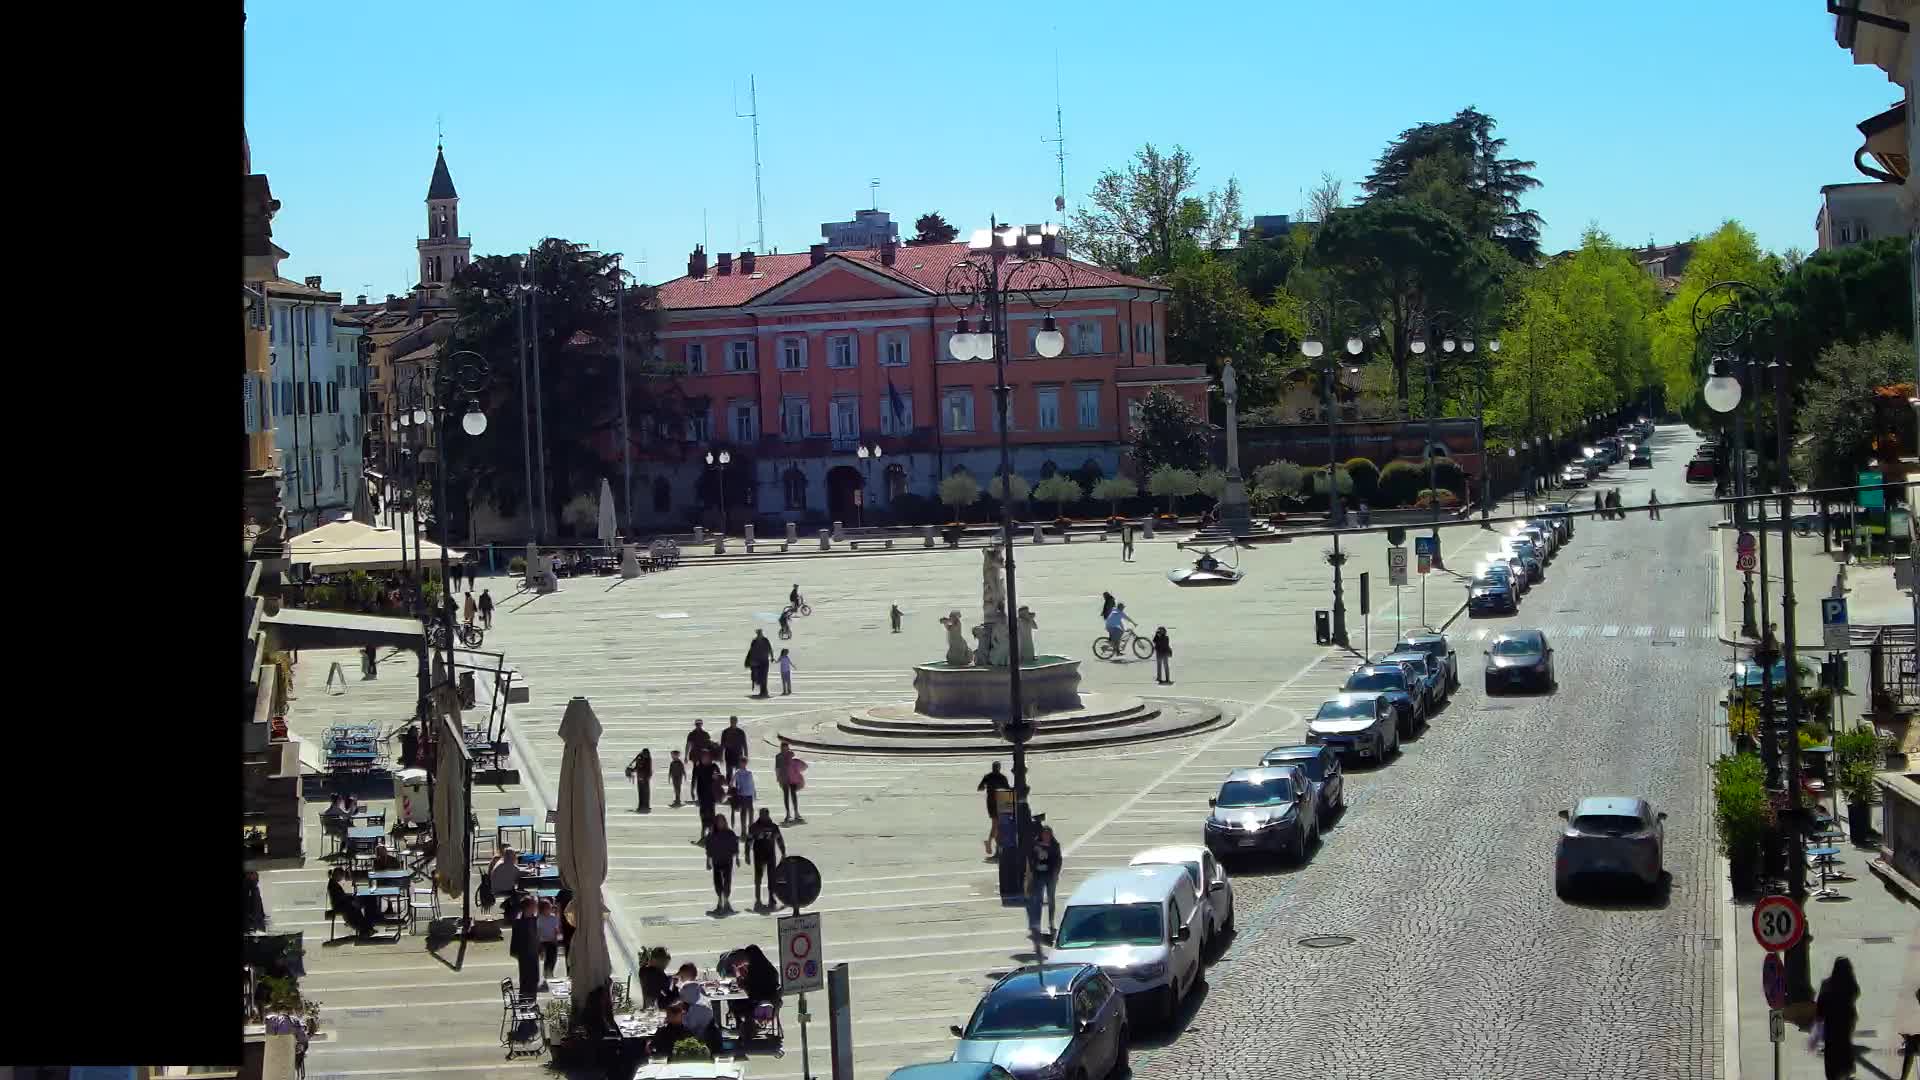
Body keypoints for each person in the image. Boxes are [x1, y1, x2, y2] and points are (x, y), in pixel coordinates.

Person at [1815, 956, 1860, 1080]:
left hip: (1831, 1024)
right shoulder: (1850, 983)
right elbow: (1856, 994)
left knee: (1831, 1050)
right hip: (1847, 1021)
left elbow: (1820, 1007)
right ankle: (1848, 1072)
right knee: (1845, 1044)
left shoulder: (1827, 984)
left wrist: (1819, 1021)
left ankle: (1833, 1075)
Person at [1026, 823, 1063, 941]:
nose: (1046, 836)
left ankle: (1051, 922)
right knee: (1038, 900)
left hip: (1050, 876)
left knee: (1051, 899)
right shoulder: (1035, 844)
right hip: (1039, 876)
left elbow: (1058, 860)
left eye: (1048, 834)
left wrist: (1056, 873)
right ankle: (1037, 925)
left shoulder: (1055, 845)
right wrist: (1031, 872)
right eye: (1044, 834)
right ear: (1041, 835)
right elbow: (1030, 859)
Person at [748, 808, 786, 909]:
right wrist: (747, 853)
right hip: (759, 854)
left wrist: (783, 852)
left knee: (772, 877)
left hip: (770, 854)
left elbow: (779, 839)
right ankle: (758, 899)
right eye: (762, 814)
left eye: (765, 814)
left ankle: (771, 898)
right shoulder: (754, 827)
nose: (763, 816)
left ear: (768, 815)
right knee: (758, 878)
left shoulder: (773, 827)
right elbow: (749, 840)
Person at [705, 814, 740, 914]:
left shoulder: (730, 833)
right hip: (716, 861)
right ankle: (722, 903)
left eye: (722, 821)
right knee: (718, 883)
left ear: (725, 822)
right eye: (718, 821)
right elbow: (708, 848)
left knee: (727, 882)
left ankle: (725, 903)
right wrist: (708, 861)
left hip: (728, 860)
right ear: (715, 823)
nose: (720, 823)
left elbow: (735, 845)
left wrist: (737, 858)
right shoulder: (712, 834)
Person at [327, 868, 377, 938]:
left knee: (357, 906)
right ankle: (365, 928)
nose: (341, 878)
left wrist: (351, 897)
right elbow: (341, 897)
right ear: (337, 875)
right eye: (341, 876)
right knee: (356, 907)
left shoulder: (333, 883)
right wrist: (351, 899)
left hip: (341, 904)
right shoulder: (333, 885)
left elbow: (341, 896)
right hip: (340, 905)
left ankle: (366, 928)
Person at [507, 895, 540, 997]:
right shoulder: (519, 922)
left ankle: (532, 1003)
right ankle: (524, 1005)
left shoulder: (535, 920)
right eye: (534, 905)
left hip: (533, 954)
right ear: (528, 907)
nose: (536, 908)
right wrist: (515, 952)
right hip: (525, 954)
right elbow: (516, 938)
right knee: (526, 980)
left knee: (534, 979)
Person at [978, 761, 1011, 857]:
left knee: (996, 825)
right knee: (999, 826)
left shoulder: (988, 777)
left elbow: (980, 788)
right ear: (999, 768)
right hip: (1001, 801)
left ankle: (992, 845)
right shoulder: (1002, 777)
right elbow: (1008, 790)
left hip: (992, 802)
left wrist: (985, 785)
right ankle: (992, 845)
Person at [691, 748, 723, 846]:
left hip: (711, 796)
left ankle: (712, 837)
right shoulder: (698, 766)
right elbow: (694, 778)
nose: (705, 758)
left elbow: (721, 778)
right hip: (702, 796)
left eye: (707, 757)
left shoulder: (714, 766)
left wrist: (716, 777)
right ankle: (703, 838)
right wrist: (692, 790)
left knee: (712, 817)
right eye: (703, 757)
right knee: (703, 817)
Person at [774, 738, 802, 823]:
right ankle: (788, 813)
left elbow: (794, 762)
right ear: (781, 748)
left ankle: (796, 812)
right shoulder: (778, 756)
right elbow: (777, 768)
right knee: (786, 795)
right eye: (783, 748)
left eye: (786, 748)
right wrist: (778, 777)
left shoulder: (789, 754)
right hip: (784, 777)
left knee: (793, 794)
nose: (785, 750)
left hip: (792, 777)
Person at [536, 898, 561, 986]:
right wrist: (539, 943)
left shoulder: (553, 918)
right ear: (542, 910)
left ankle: (551, 972)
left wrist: (556, 935)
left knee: (553, 958)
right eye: (547, 908)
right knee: (547, 958)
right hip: (544, 941)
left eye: (550, 907)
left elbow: (556, 928)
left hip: (552, 940)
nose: (549, 909)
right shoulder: (540, 919)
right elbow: (538, 931)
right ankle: (546, 973)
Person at [730, 760, 757, 839]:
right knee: (744, 813)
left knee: (750, 813)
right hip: (742, 795)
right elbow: (731, 783)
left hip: (748, 795)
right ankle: (744, 832)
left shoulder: (749, 772)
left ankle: (749, 830)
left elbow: (752, 784)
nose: (743, 764)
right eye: (742, 762)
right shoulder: (738, 772)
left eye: (744, 763)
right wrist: (735, 789)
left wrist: (754, 794)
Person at [746, 629, 773, 698]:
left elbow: (770, 649)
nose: (760, 634)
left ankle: (764, 691)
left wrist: (772, 657)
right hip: (758, 662)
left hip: (764, 661)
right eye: (759, 633)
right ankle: (763, 691)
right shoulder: (755, 641)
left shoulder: (765, 640)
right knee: (760, 677)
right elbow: (751, 651)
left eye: (760, 633)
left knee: (764, 676)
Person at [719, 716, 748, 780]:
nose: (733, 722)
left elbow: (744, 744)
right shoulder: (725, 732)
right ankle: (730, 788)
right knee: (729, 774)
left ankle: (739, 788)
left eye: (734, 721)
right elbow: (722, 745)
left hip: (738, 755)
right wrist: (720, 756)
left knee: (739, 774)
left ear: (736, 721)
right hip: (729, 755)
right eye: (732, 721)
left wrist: (746, 756)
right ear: (730, 721)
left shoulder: (741, 732)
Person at [626, 748, 653, 812]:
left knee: (645, 792)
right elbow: (637, 767)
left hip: (644, 777)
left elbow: (648, 769)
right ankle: (642, 806)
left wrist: (646, 777)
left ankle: (645, 806)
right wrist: (631, 770)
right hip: (641, 777)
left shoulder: (647, 759)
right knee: (641, 792)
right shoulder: (640, 758)